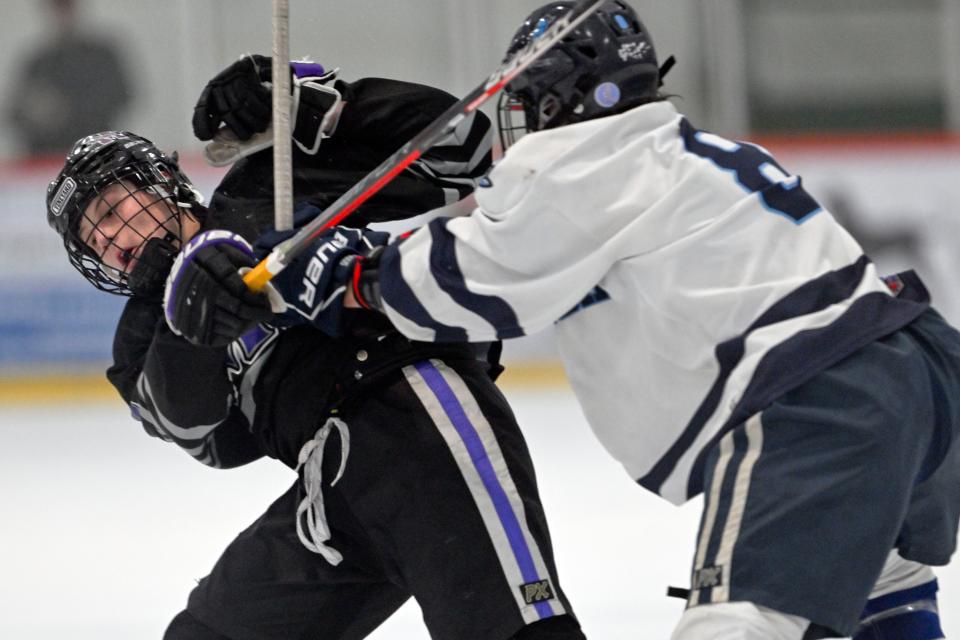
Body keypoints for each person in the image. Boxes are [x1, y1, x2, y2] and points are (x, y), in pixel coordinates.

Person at [173, 3, 960, 639]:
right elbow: (490, 228)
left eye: (518, 101)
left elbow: (469, 276)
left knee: (735, 624)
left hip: (815, 404)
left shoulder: (589, 162)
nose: (511, 126)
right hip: (916, 374)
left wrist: (336, 273)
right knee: (887, 587)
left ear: (558, 97)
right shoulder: (678, 154)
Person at [45, 56, 586, 640]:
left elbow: (460, 149)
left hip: (421, 428)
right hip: (330, 495)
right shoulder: (142, 336)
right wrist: (190, 313)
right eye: (91, 241)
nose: (108, 241)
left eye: (109, 210)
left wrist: (308, 103)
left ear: (158, 184)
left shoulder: (268, 186)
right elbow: (203, 435)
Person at [6, 0, 132, 156]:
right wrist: (37, 116)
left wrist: (68, 112)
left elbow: (122, 95)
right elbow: (15, 113)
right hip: (48, 155)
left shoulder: (101, 55)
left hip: (94, 153)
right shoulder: (38, 61)